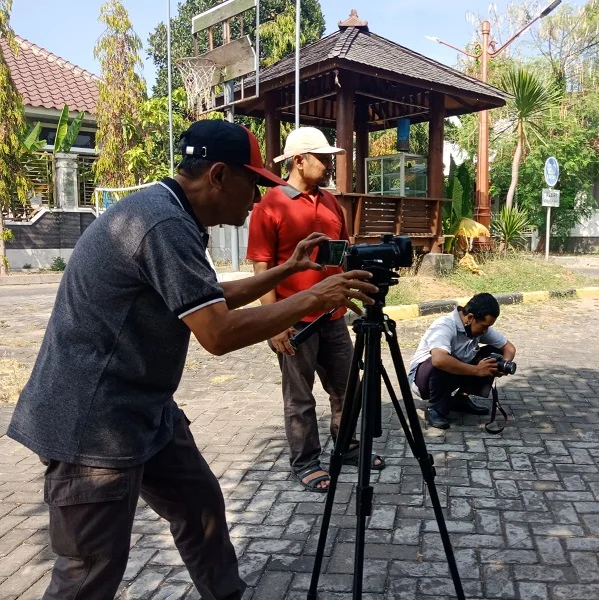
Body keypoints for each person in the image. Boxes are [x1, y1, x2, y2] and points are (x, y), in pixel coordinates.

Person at [6, 120, 378, 600]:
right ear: (219, 175)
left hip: (145, 410)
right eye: (254, 184)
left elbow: (205, 298)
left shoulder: (169, 213)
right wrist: (311, 299)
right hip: (93, 424)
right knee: (89, 571)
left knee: (199, 507)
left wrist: (288, 271)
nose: (258, 198)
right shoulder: (163, 223)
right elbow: (217, 333)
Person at [247, 127, 385, 494]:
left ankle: (347, 446)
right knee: (300, 397)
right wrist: (273, 324)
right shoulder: (270, 205)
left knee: (346, 388)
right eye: (322, 158)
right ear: (298, 160)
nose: (328, 164)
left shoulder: (330, 201)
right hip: (293, 322)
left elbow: (343, 253)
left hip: (335, 317)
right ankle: (306, 461)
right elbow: (261, 270)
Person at [408, 293, 516, 430]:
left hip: (450, 375)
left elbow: (509, 348)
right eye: (484, 326)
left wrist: (502, 365)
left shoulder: (477, 326)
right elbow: (439, 360)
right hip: (423, 381)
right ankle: (435, 409)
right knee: (444, 360)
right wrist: (478, 370)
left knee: (493, 354)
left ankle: (460, 399)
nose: (485, 331)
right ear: (470, 317)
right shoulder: (444, 325)